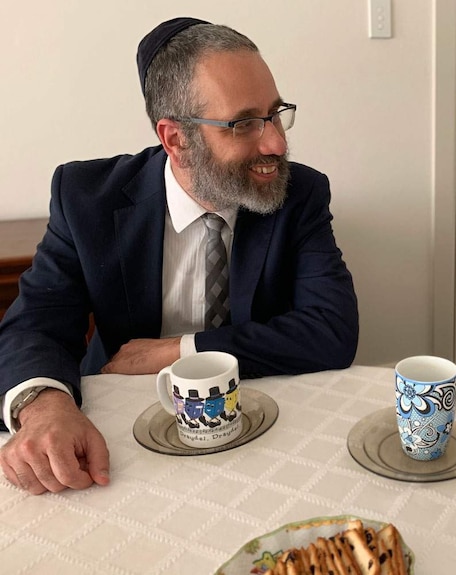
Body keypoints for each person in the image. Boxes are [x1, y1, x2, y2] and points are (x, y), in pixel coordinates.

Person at [0, 18, 359, 495]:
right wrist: (45, 406)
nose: (275, 142)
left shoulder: (300, 193)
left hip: (256, 420)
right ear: (175, 139)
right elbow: (35, 324)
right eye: (244, 123)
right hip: (120, 425)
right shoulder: (86, 198)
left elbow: (331, 330)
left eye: (275, 114)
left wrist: (180, 350)